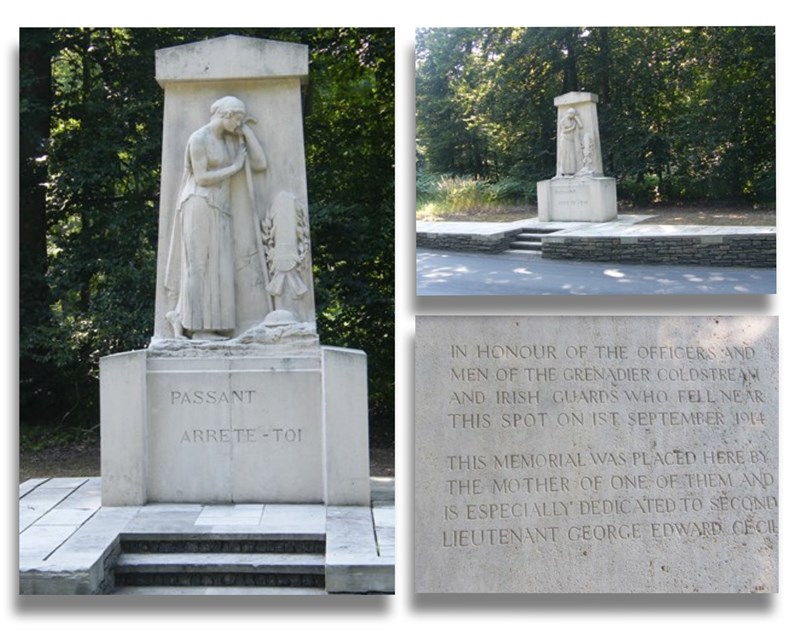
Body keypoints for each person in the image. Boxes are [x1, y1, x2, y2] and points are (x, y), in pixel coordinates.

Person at [165, 96, 267, 339]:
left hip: (220, 206)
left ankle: (194, 321)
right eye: (238, 118)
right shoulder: (198, 138)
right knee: (199, 266)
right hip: (198, 202)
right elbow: (200, 177)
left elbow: (260, 164)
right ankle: (195, 328)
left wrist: (247, 131)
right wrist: (234, 168)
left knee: (218, 269)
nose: (239, 123)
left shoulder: (230, 140)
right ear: (226, 114)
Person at [558, 108, 583, 176]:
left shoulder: (573, 120)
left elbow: (581, 126)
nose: (573, 115)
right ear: (568, 113)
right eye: (572, 114)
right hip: (564, 139)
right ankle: (562, 170)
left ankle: (572, 170)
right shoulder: (563, 120)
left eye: (573, 114)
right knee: (564, 155)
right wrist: (572, 128)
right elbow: (563, 130)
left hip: (571, 140)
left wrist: (577, 118)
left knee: (571, 155)